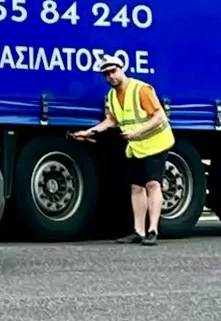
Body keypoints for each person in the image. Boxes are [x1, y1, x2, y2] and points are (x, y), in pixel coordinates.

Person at [75, 56, 174, 244]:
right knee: (136, 187)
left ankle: (153, 230)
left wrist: (137, 131)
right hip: (136, 146)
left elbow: (160, 117)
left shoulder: (141, 89)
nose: (111, 77)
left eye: (113, 71)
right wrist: (89, 132)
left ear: (122, 69)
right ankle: (138, 231)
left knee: (152, 184)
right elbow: (111, 120)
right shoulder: (111, 96)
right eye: (106, 74)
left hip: (156, 142)